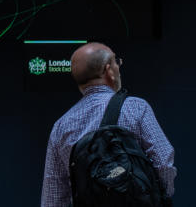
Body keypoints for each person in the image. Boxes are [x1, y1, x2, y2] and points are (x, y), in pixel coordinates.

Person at [40, 42, 176, 207]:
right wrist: (159, 199)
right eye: (116, 62)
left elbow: (54, 195)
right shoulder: (136, 108)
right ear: (108, 70)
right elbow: (163, 163)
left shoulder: (61, 127)